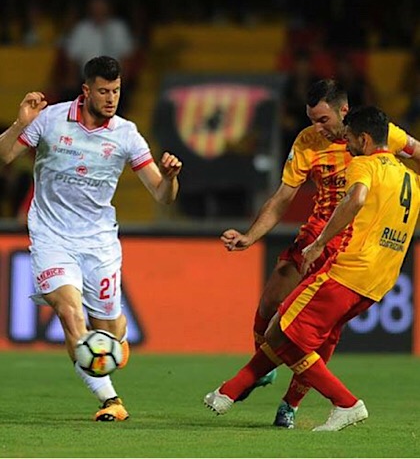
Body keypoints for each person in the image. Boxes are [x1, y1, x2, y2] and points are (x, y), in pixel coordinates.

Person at [205, 105, 420, 431]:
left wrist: (320, 243)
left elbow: (356, 199)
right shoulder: (408, 176)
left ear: (363, 139)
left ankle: (345, 403)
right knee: (301, 332)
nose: (346, 144)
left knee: (280, 331)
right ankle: (229, 393)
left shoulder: (364, 164)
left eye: (350, 138)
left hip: (349, 269)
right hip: (380, 280)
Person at [0, 55, 182, 421]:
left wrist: (170, 178)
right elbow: (4, 156)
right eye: (103, 91)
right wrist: (20, 123)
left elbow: (162, 195)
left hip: (98, 242)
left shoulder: (126, 134)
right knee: (70, 313)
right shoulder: (50, 119)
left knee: (109, 328)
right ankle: (110, 399)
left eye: (116, 90)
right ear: (86, 91)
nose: (111, 98)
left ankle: (116, 340)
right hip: (51, 236)